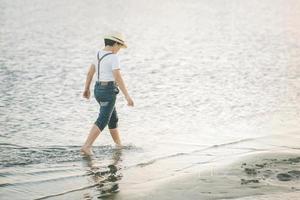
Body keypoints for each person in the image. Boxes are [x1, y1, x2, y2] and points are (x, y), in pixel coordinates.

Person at [81, 32, 134, 156]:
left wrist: (86, 89)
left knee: (112, 118)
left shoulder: (97, 53)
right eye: (119, 47)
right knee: (103, 118)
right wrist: (127, 96)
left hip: (98, 89)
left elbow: (90, 73)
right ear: (115, 43)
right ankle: (87, 146)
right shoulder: (113, 57)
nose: (119, 50)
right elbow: (117, 76)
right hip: (108, 91)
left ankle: (118, 145)